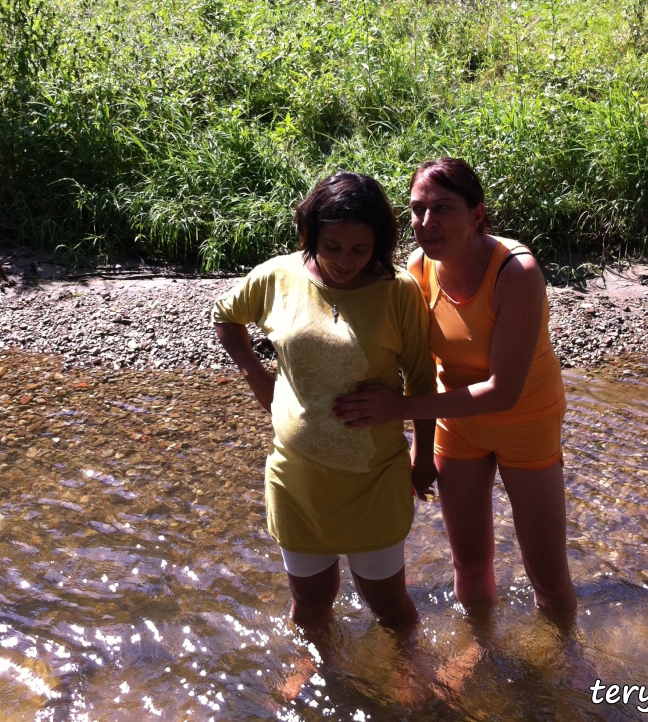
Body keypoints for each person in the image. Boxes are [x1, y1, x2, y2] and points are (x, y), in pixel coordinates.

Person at [334, 158, 576, 622]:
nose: (427, 223)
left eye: (442, 208)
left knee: (546, 573)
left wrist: (397, 410)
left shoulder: (516, 272)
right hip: (457, 424)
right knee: (468, 561)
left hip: (527, 421)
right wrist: (420, 450)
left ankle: (566, 666)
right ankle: (480, 646)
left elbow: (503, 392)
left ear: (477, 215)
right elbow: (418, 363)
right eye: (417, 209)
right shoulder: (419, 268)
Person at [212, 171, 437, 633]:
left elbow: (420, 379)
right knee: (310, 603)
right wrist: (258, 375)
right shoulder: (279, 275)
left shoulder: (399, 292)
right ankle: (317, 671)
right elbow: (225, 315)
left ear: (381, 242)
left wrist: (424, 454)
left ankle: (410, 678)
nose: (344, 261)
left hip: (374, 479)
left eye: (360, 249)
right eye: (331, 246)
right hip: (298, 479)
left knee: (390, 607)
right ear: (309, 233)